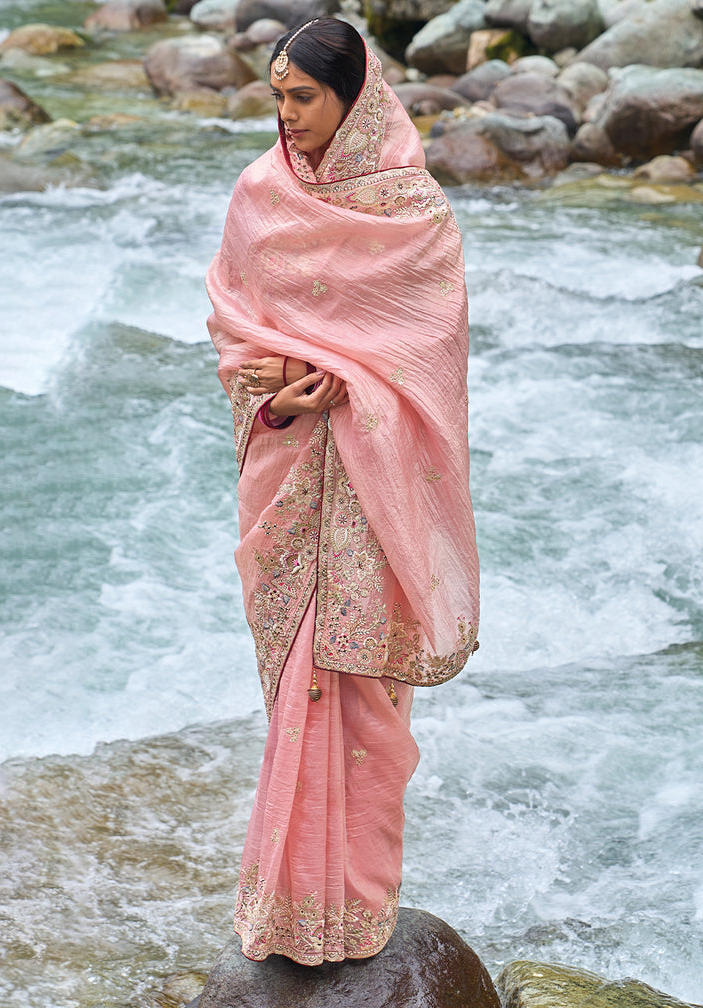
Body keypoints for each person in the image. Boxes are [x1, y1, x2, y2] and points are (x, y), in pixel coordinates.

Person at [205, 17, 479, 967]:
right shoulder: (259, 194)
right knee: (300, 687)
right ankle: (287, 908)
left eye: (303, 96)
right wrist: (277, 392)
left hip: (374, 486)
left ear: (353, 97)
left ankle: (354, 911)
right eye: (277, 95)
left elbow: (429, 359)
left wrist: (351, 388)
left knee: (357, 686)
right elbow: (231, 327)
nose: (286, 116)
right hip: (290, 473)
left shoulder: (415, 212)